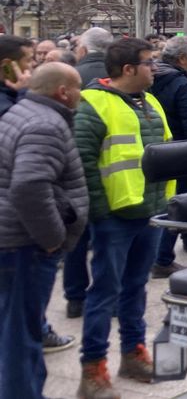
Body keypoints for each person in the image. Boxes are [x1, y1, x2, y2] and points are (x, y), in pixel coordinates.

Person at [74, 38, 174, 397]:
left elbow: (164, 149)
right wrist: (100, 212)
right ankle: (93, 369)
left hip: (149, 211)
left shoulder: (150, 101)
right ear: (129, 69)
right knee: (104, 292)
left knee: (135, 287)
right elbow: (81, 163)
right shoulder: (93, 104)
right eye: (149, 63)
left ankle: (133, 352)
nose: (155, 69)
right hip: (114, 218)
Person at [0, 63, 88, 399]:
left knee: (17, 330)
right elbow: (28, 186)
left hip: (14, 240)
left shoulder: (24, 111)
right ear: (63, 91)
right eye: (78, 87)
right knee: (20, 336)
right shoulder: (45, 124)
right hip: (24, 245)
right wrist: (52, 238)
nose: (82, 93)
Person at [149, 37, 187, 276]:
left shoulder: (152, 77)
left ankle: (156, 255)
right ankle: (162, 258)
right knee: (177, 206)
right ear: (183, 58)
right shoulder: (180, 83)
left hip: (156, 150)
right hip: (182, 153)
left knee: (159, 205)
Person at [64, 29, 112, 319]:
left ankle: (74, 297)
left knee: (77, 239)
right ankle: (107, 296)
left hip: (73, 168)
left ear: (83, 49)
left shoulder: (71, 75)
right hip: (116, 172)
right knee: (109, 242)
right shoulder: (121, 75)